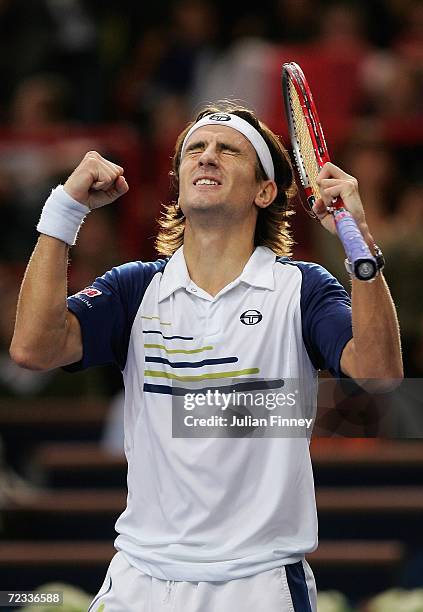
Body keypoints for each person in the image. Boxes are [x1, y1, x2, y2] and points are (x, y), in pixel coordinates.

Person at [10, 102, 403, 612]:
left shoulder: (300, 288)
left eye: (228, 149)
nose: (207, 156)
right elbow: (32, 348)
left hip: (258, 582)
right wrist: (64, 211)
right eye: (195, 148)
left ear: (265, 191)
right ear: (178, 183)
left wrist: (361, 246)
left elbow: (380, 374)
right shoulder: (134, 288)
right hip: (139, 577)